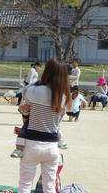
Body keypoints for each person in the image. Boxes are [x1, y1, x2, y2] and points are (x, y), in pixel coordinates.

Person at [17, 58, 71, 193]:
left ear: (47, 71)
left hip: (32, 143)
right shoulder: (64, 96)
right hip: (52, 146)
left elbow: (26, 111)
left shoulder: (35, 90)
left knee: (25, 185)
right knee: (49, 187)